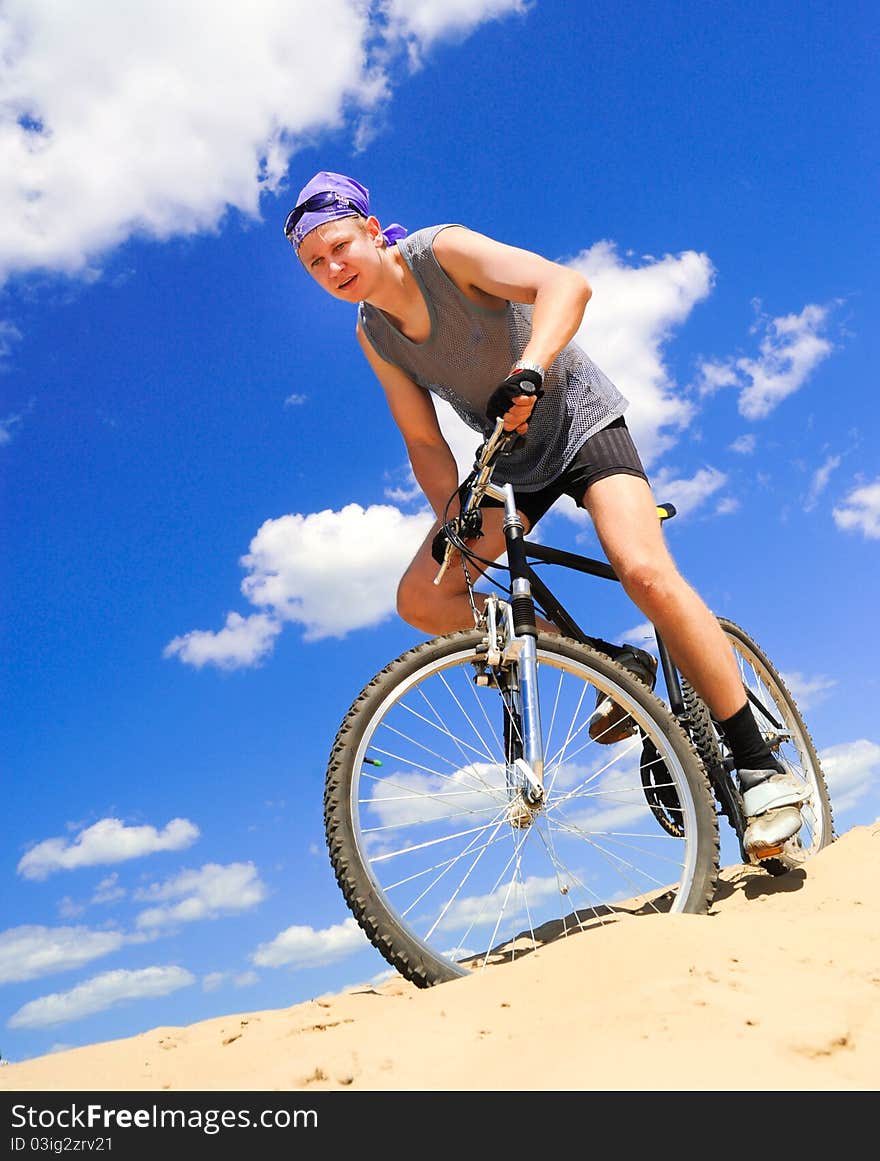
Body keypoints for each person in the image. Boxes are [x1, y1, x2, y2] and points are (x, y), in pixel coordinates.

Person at [284, 170, 809, 857]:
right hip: (511, 454)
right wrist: (451, 518)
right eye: (315, 264)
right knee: (424, 595)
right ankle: (606, 664)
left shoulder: (442, 252)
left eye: (339, 247)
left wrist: (530, 366)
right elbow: (422, 438)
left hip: (580, 420)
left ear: (373, 232)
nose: (333, 268)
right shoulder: (373, 333)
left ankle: (758, 765)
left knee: (643, 572)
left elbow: (566, 284)